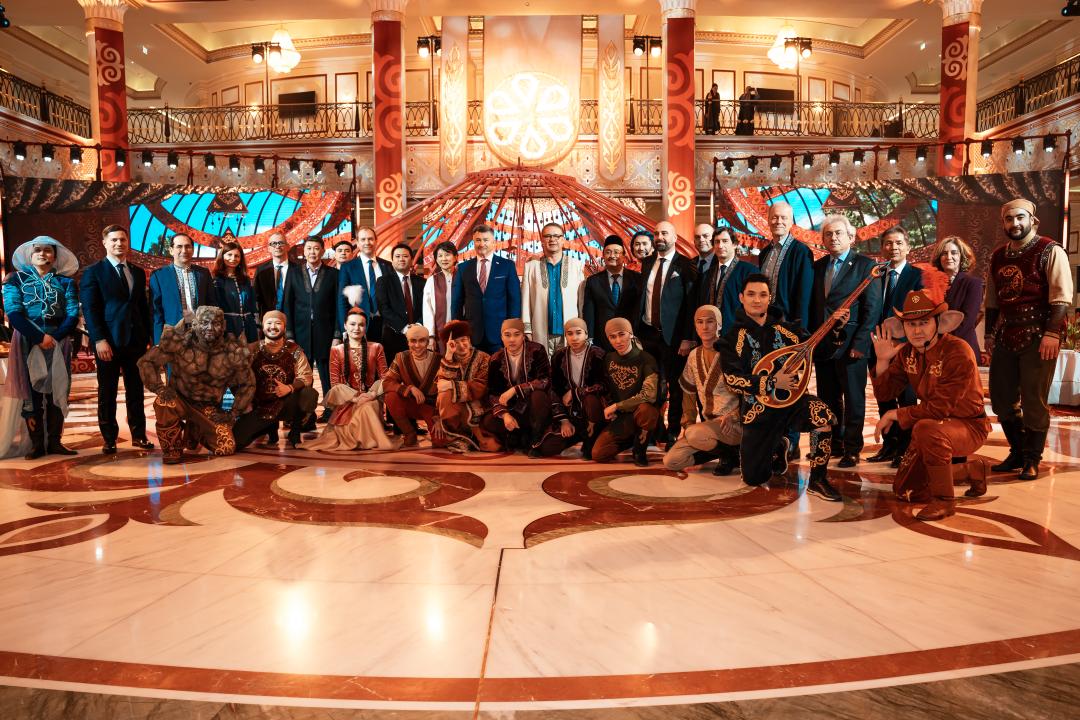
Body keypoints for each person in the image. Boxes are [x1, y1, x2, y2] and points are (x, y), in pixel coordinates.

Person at [719, 274, 842, 501]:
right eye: (751, 294)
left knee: (822, 416)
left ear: (770, 298)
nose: (757, 300)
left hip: (793, 401)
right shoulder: (731, 339)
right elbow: (732, 379)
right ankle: (780, 446)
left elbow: (820, 352)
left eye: (763, 295)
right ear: (741, 298)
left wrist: (835, 330)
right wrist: (772, 382)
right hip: (758, 410)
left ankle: (817, 480)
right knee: (754, 477)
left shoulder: (789, 330)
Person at [871, 290, 990, 520]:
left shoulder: (958, 351)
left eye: (924, 323)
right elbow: (885, 393)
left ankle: (944, 501)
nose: (917, 331)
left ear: (938, 323)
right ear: (903, 327)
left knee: (925, 428)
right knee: (907, 490)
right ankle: (972, 470)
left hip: (969, 426)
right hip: (933, 424)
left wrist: (895, 414)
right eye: (911, 324)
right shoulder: (907, 353)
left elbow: (939, 408)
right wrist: (883, 360)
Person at [986, 198, 1073, 481]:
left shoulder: (1049, 250)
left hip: (1039, 335)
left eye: (1020, 217)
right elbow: (992, 300)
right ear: (1003, 223)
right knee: (1001, 399)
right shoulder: (998, 256)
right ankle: (1018, 451)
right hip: (1006, 333)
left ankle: (1032, 459)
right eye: (1009, 219)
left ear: (1032, 221)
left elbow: (1061, 297)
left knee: (1034, 401)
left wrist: (1052, 333)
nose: (1015, 223)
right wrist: (989, 334)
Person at [808, 215, 882, 468]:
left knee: (854, 400)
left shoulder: (865, 266)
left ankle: (852, 448)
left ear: (851, 237)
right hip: (823, 345)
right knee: (828, 399)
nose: (833, 238)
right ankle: (834, 444)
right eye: (828, 234)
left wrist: (860, 345)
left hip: (852, 346)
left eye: (838, 233)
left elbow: (872, 310)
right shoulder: (817, 267)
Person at [138, 306, 255, 464]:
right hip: (180, 399)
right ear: (195, 324)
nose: (210, 328)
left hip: (208, 406)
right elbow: (146, 362)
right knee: (163, 402)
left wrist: (233, 413)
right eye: (205, 323)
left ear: (223, 326)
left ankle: (195, 430)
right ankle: (172, 449)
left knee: (226, 447)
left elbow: (248, 383)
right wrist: (159, 388)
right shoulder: (180, 344)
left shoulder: (232, 351)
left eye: (216, 323)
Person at [2, 236, 80, 459]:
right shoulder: (15, 279)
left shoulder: (65, 282)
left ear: (55, 256)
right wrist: (38, 337)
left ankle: (55, 441)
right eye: (37, 250)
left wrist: (54, 338)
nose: (42, 254)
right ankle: (37, 444)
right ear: (30, 254)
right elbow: (13, 312)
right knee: (31, 392)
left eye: (47, 250)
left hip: (59, 340)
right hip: (27, 339)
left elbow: (73, 313)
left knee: (58, 389)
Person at [79, 224, 154, 455]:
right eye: (114, 240)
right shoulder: (94, 272)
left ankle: (139, 435)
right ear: (105, 243)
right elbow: (91, 309)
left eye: (122, 239)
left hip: (136, 341)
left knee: (136, 390)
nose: (119, 243)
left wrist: (148, 337)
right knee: (107, 391)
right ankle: (109, 438)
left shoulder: (137, 272)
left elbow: (142, 307)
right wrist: (99, 339)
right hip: (108, 342)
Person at [757, 201, 813, 460]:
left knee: (791, 385)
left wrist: (799, 333)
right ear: (768, 220)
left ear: (791, 222)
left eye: (783, 218)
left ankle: (792, 441)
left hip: (791, 332)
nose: (778, 221)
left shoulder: (801, 252)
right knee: (770, 384)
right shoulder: (764, 252)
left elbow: (804, 295)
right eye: (774, 217)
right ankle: (775, 438)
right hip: (765, 330)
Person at [636, 220, 698, 446]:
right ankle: (654, 431)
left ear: (674, 238)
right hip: (648, 335)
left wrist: (688, 337)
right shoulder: (646, 263)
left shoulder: (685, 265)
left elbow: (691, 304)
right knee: (652, 386)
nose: (659, 237)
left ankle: (673, 432)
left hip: (674, 337)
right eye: (656, 233)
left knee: (675, 386)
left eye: (664, 233)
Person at [868, 226, 924, 466]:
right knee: (884, 397)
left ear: (908, 247)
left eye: (899, 243)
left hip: (904, 347)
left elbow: (920, 313)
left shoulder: (918, 276)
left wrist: (904, 341)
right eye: (889, 243)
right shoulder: (875, 275)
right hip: (877, 346)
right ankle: (889, 446)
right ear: (882, 248)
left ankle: (906, 448)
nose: (894, 247)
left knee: (906, 399)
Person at [664, 305, 742, 475]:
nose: (705, 327)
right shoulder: (694, 355)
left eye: (710, 321)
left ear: (719, 324)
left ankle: (730, 453)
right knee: (672, 461)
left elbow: (748, 394)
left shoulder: (732, 353)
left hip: (733, 424)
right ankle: (729, 454)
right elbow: (688, 394)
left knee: (695, 435)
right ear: (695, 326)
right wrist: (688, 424)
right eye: (700, 322)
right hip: (708, 428)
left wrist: (734, 416)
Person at [302, 309, 394, 451]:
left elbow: (385, 377)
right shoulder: (336, 350)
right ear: (345, 325)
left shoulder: (376, 347)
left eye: (361, 325)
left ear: (366, 326)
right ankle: (367, 440)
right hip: (347, 400)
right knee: (361, 410)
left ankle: (369, 440)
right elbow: (335, 384)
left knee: (368, 407)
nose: (357, 328)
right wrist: (355, 398)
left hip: (371, 397)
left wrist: (371, 394)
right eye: (352, 324)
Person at [232, 311, 318, 449]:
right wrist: (245, 402)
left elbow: (306, 376)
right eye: (269, 323)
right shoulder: (251, 349)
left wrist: (289, 388)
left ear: (284, 327)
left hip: (286, 403)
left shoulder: (294, 350)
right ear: (263, 326)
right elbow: (236, 377)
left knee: (309, 394)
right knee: (236, 442)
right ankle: (269, 427)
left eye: (278, 323)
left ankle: (295, 430)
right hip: (260, 406)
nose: (273, 326)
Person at [534, 318, 609, 458]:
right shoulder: (558, 356)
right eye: (570, 333)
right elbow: (554, 390)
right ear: (565, 336)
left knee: (591, 400)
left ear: (586, 334)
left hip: (593, 414)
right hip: (570, 416)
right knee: (546, 448)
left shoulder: (598, 354)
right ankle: (577, 436)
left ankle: (591, 439)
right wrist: (564, 421)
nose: (574, 338)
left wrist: (575, 392)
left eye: (578, 333)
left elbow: (603, 386)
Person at [285, 236, 341, 421]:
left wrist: (337, 334)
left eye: (316, 248)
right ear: (304, 251)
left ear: (322, 251)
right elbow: (287, 304)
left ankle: (330, 411)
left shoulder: (333, 274)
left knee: (327, 374)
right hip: (300, 332)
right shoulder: (293, 273)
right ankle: (305, 415)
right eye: (309, 248)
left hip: (325, 331)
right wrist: (289, 334)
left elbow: (338, 306)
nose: (312, 252)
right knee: (302, 375)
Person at [591, 318, 660, 466]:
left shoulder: (646, 359)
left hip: (641, 413)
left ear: (630, 334)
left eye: (622, 334)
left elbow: (649, 395)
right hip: (622, 417)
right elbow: (606, 388)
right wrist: (610, 407)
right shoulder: (608, 358)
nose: (618, 341)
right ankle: (631, 439)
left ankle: (640, 450)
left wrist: (617, 406)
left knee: (647, 410)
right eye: (612, 337)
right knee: (599, 454)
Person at [479, 318, 552, 454]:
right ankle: (518, 434)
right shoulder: (496, 359)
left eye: (516, 334)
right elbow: (493, 393)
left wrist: (515, 389)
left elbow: (545, 380)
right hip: (512, 409)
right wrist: (505, 414)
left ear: (523, 336)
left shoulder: (537, 350)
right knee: (489, 421)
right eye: (507, 335)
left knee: (538, 396)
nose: (512, 339)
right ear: (501, 337)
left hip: (533, 409)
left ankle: (535, 437)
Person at [451, 224, 522, 354]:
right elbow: (457, 301)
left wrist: (512, 329)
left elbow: (514, 299)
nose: (482, 244)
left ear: (493, 242)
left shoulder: (507, 266)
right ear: (473, 242)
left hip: (500, 333)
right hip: (472, 333)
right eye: (478, 240)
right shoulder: (463, 268)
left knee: (499, 366)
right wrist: (459, 330)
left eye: (485, 240)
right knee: (474, 367)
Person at [521, 222, 585, 355]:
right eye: (548, 236)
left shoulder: (576, 265)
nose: (552, 239)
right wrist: (527, 329)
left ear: (563, 240)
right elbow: (525, 300)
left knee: (567, 366)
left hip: (570, 332)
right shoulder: (531, 267)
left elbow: (581, 302)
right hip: (540, 329)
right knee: (542, 366)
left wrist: (582, 329)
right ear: (542, 241)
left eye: (556, 236)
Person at [435, 319, 494, 453]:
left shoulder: (484, 358)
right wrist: (448, 356)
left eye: (464, 340)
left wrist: (452, 385)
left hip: (479, 406)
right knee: (437, 441)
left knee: (492, 446)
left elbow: (481, 387)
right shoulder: (447, 359)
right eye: (455, 343)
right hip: (455, 408)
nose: (461, 346)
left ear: (469, 339)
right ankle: (459, 438)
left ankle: (471, 438)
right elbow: (440, 386)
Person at [383, 324, 444, 448]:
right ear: (408, 342)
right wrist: (409, 388)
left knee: (440, 442)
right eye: (413, 341)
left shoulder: (439, 360)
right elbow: (387, 383)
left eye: (421, 341)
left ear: (428, 342)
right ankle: (409, 432)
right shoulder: (400, 358)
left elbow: (446, 392)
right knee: (391, 397)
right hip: (412, 404)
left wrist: (440, 417)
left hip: (433, 409)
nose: (417, 345)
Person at [149, 233, 217, 343]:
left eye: (188, 246)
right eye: (179, 247)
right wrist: (158, 342)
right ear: (171, 250)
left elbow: (211, 304)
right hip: (172, 336)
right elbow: (156, 313)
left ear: (193, 250)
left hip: (200, 335)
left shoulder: (203, 273)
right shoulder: (159, 275)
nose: (184, 250)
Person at [582, 235, 643, 352]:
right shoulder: (593, 281)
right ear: (603, 256)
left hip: (631, 339)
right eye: (608, 252)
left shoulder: (637, 279)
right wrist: (589, 338)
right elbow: (589, 311)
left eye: (616, 252)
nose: (612, 256)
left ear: (624, 256)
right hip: (602, 339)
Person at [931, 235, 984, 361]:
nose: (949, 257)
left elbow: (967, 321)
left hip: (962, 349)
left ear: (962, 257)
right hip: (934, 350)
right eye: (944, 253)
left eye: (954, 253)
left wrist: (941, 341)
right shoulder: (931, 285)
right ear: (939, 258)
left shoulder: (973, 283)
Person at [696, 226, 756, 336]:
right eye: (717, 242)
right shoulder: (707, 275)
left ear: (734, 244)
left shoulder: (749, 271)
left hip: (739, 337)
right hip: (710, 337)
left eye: (725, 241)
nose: (720, 246)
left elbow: (755, 308)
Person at [338, 226, 393, 340]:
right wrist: (345, 329)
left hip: (386, 325)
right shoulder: (348, 267)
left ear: (376, 241)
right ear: (358, 243)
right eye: (363, 239)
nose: (367, 242)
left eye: (370, 239)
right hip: (358, 326)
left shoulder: (387, 266)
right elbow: (342, 300)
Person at [375, 242, 426, 366]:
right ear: (392, 261)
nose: (401, 259)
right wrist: (405, 328)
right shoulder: (383, 281)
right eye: (397, 256)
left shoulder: (422, 282)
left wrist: (418, 325)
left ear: (411, 260)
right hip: (393, 337)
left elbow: (427, 307)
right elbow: (383, 308)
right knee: (395, 372)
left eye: (405, 256)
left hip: (419, 337)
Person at [212, 241, 259, 343]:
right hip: (227, 327)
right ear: (222, 256)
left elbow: (252, 304)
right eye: (229, 254)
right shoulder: (216, 280)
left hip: (249, 327)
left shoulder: (246, 280)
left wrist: (256, 325)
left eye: (237, 256)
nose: (233, 258)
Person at [422, 240, 457, 352]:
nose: (444, 259)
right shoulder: (432, 281)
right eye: (440, 256)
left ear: (455, 257)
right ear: (436, 259)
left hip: (460, 333)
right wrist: (431, 336)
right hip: (439, 334)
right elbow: (428, 310)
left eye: (447, 255)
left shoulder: (463, 278)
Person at [254, 232, 295, 318]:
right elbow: (256, 298)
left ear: (288, 246)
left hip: (293, 319)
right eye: (273, 243)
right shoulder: (261, 271)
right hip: (268, 320)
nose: (277, 246)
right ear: (269, 248)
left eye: (281, 243)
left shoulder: (298, 270)